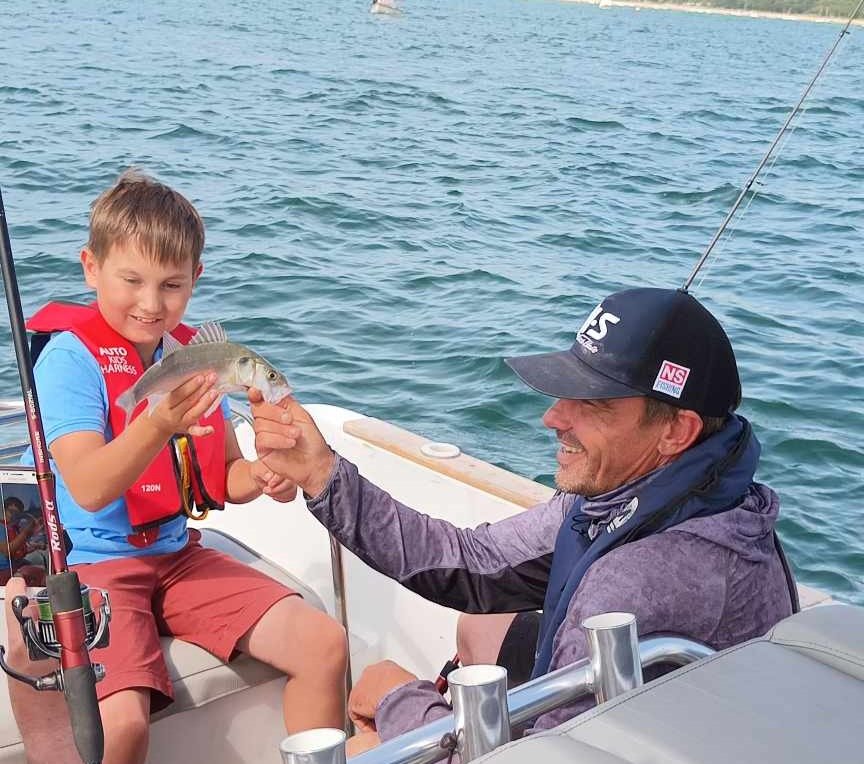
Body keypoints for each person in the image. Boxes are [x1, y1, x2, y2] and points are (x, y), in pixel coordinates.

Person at [249, 286, 798, 753]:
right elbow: (473, 563)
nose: (553, 417)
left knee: (368, 748)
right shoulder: (647, 490)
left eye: (595, 404)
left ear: (676, 431)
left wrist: (402, 701)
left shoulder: (639, 580)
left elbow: (551, 757)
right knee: (480, 624)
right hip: (637, 710)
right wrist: (323, 474)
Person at [19, 169, 348, 764]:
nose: (151, 304)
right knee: (122, 727)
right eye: (131, 281)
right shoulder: (69, 362)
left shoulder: (191, 356)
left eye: (171, 285)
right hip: (96, 565)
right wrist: (157, 424)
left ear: (195, 279)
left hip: (177, 554)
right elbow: (90, 488)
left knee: (323, 644)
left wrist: (269, 472)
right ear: (91, 268)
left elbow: (222, 478)